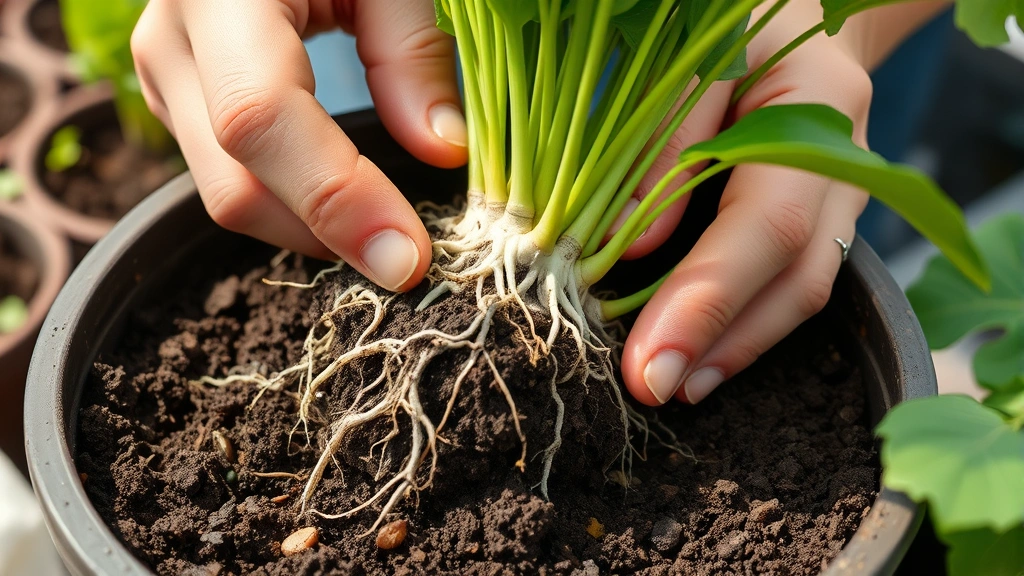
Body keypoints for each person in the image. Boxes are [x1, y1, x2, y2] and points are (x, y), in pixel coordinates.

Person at [130, 0, 947, 408]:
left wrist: (855, 17)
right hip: (396, 31)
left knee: (780, 228)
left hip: (769, 56)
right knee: (388, 124)